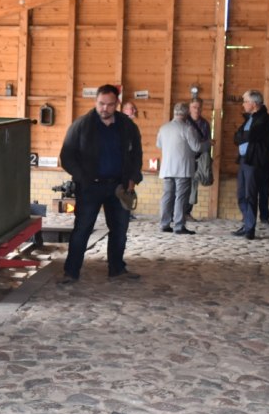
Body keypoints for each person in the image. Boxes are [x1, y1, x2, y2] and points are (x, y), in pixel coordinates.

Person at [58, 84, 144, 284]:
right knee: (82, 229)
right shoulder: (82, 125)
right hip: (90, 188)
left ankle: (117, 269)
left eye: (109, 105)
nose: (104, 108)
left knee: (120, 229)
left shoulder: (127, 126)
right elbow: (67, 156)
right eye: (101, 104)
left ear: (117, 104)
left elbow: (136, 154)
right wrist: (82, 177)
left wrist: (132, 178)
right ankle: (71, 272)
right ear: (95, 102)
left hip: (118, 187)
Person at [157, 102, 207, 235]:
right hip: (183, 169)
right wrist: (207, 144)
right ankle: (179, 226)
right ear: (186, 114)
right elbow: (197, 147)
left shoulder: (163, 128)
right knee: (181, 197)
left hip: (167, 168)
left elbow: (159, 145)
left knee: (167, 196)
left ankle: (164, 223)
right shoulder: (187, 128)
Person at [232, 90, 269, 240]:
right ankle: (247, 223)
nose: (243, 104)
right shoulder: (248, 119)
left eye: (245, 101)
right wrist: (242, 136)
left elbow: (251, 135)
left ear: (254, 104)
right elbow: (236, 137)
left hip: (254, 161)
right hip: (244, 160)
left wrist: (242, 136)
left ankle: (250, 228)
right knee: (241, 194)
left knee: (250, 195)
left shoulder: (264, 118)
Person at [185, 97, 212, 222]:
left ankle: (187, 212)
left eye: (199, 107)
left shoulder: (205, 124)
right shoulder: (184, 122)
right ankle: (178, 212)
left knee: (193, 186)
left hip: (198, 159)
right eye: (194, 107)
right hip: (185, 159)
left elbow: (207, 141)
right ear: (189, 108)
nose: (197, 109)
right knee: (182, 186)